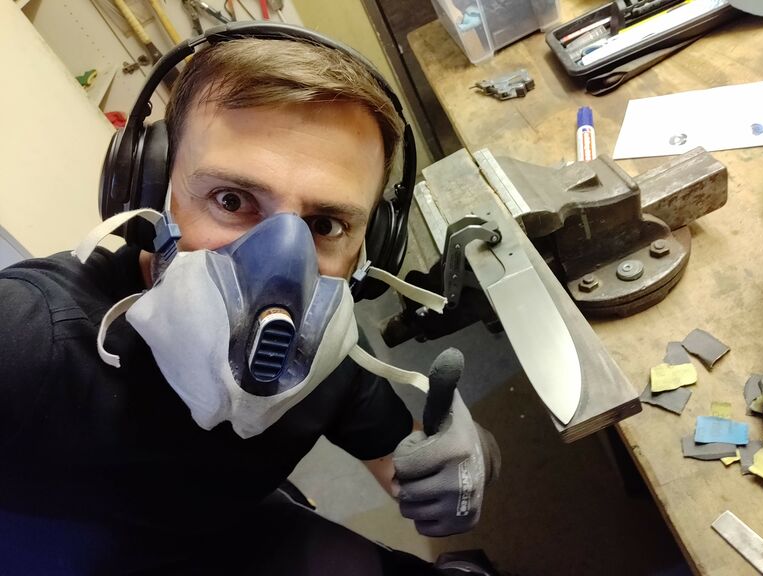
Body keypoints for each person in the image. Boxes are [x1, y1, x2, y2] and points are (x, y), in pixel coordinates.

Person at [0, 23, 500, 575]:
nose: (281, 265)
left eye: (326, 224)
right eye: (231, 200)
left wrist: (457, 468)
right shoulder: (32, 339)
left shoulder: (330, 358)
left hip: (228, 535)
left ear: (371, 245)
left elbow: (404, 469)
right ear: (150, 189)